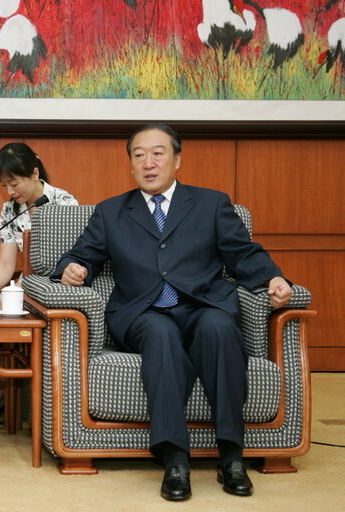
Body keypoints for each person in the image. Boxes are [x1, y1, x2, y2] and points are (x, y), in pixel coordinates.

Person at [52, 124, 292, 501]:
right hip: (143, 312)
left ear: (177, 159)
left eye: (158, 153)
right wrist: (72, 267)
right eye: (139, 155)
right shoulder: (111, 211)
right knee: (161, 336)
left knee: (219, 329)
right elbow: (82, 254)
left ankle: (231, 454)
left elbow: (243, 253)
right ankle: (174, 458)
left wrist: (273, 279)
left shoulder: (212, 204)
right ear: (130, 163)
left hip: (204, 305)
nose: (149, 162)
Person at [0, 142, 78, 427]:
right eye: (4, 185)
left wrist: (25, 284)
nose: (10, 192)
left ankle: (1, 394)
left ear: (34, 173)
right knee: (1, 315)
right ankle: (1, 390)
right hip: (23, 286)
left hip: (54, 288)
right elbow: (7, 263)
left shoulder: (64, 203)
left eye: (14, 183)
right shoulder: (10, 209)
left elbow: (69, 260)